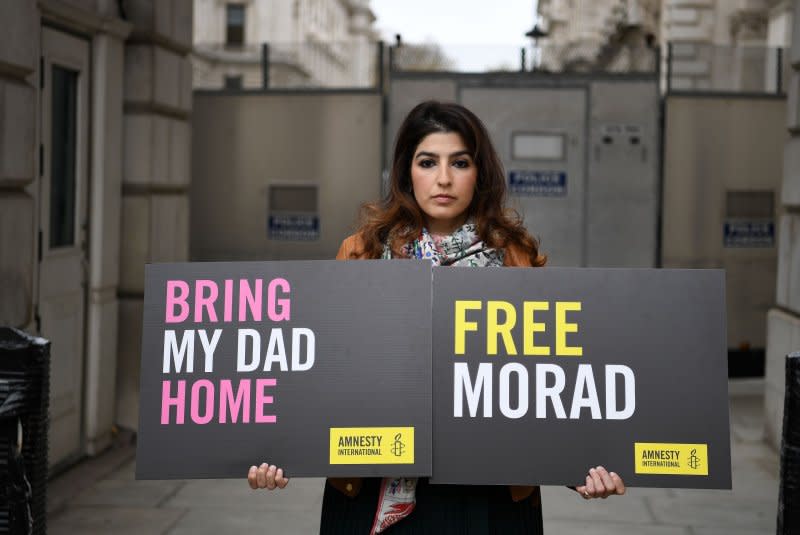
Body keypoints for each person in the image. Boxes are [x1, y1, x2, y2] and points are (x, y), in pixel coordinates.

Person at [247, 100, 625, 533]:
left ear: (479, 172)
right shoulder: (361, 253)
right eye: (428, 162)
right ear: (407, 171)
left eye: (459, 163)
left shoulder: (517, 258)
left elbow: (547, 383)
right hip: (373, 488)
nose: (443, 178)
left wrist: (582, 466)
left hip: (487, 496)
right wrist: (276, 450)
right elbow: (320, 372)